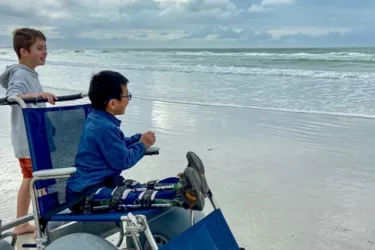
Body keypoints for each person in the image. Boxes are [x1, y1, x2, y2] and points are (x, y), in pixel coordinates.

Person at [65, 70, 210, 214]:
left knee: (139, 187)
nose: (128, 99)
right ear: (113, 104)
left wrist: (136, 139)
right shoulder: (104, 127)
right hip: (85, 195)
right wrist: (142, 145)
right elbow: (123, 160)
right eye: (126, 95)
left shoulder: (98, 120)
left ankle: (185, 184)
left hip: (101, 184)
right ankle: (186, 195)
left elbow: (115, 145)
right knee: (134, 196)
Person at [0, 28, 57, 235]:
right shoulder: (21, 74)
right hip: (28, 140)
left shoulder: (29, 74)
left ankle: (22, 223)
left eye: (45, 48)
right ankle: (42, 223)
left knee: (29, 179)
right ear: (24, 51)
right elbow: (12, 96)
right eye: (39, 48)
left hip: (32, 139)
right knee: (39, 180)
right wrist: (38, 95)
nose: (45, 52)